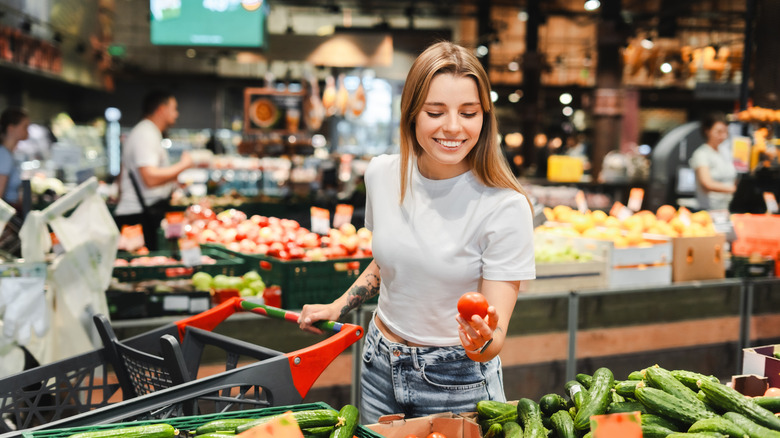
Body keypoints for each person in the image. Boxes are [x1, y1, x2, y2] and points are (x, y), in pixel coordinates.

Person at [298, 41, 535, 424]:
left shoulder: (504, 206)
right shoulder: (382, 174)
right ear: (411, 114)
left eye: (468, 112)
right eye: (435, 111)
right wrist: (339, 306)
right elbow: (390, 261)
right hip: (378, 363)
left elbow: (496, 334)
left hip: (456, 381)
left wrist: (480, 343)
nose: (453, 127)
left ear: (485, 118)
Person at [113, 90, 192, 250]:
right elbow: (150, 178)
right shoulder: (146, 133)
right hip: (139, 217)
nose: (176, 114)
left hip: (140, 214)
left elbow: (125, 175)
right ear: (161, 109)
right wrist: (184, 164)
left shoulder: (147, 132)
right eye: (174, 108)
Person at [689, 112, 736, 211]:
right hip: (709, 210)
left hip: (728, 208)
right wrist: (733, 189)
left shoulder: (726, 152)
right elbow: (707, 183)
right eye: (719, 132)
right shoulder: (701, 154)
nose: (723, 136)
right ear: (707, 131)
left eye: (725, 132)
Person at [0, 107, 29, 210]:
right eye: (25, 127)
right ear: (11, 128)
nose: (27, 131)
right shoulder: (4, 155)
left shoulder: (8, 154)